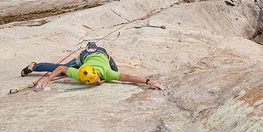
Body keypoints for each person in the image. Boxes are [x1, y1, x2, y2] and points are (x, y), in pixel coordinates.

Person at [21, 42, 165, 91]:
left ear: (96, 72)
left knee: (116, 72)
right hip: (85, 57)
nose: (97, 82)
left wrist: (149, 82)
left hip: (101, 54)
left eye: (95, 79)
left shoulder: (107, 73)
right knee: (61, 70)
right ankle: (34, 67)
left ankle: (35, 66)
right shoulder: (80, 73)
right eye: (92, 81)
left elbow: (127, 77)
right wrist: (45, 83)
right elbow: (61, 69)